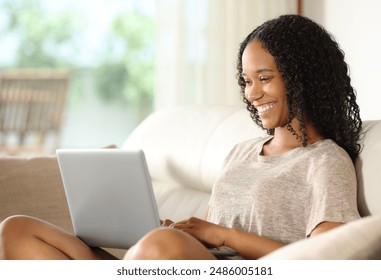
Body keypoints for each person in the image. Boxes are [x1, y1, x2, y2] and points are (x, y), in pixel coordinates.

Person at [0, 14, 362, 260]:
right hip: (179, 262)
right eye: (247, 82)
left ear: (303, 78)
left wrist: (223, 236)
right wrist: (188, 231)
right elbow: (207, 232)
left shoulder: (325, 161)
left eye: (264, 78)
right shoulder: (241, 152)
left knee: (162, 244)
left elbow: (325, 259)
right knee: (17, 230)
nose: (252, 94)